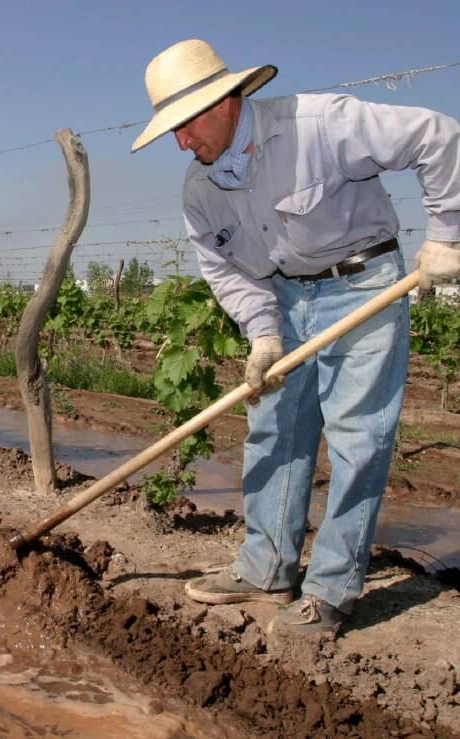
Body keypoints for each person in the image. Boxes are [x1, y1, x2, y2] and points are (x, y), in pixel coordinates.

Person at [131, 39, 460, 635]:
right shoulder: (199, 191)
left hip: (363, 286)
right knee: (274, 430)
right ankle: (265, 571)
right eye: (172, 131)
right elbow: (224, 270)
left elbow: (438, 135)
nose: (181, 143)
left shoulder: (318, 125)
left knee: (359, 436)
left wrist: (448, 233)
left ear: (226, 101)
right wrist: (261, 334)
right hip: (284, 297)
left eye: (184, 125)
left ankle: (331, 591)